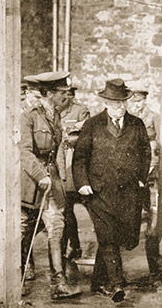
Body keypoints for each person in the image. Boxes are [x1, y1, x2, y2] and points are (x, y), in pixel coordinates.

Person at [73, 78, 151, 302]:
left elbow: (146, 153)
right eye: (114, 103)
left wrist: (141, 179)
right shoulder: (93, 124)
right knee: (107, 237)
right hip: (99, 191)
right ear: (105, 102)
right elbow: (80, 157)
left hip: (127, 192)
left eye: (122, 103)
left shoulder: (137, 124)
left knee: (117, 238)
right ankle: (116, 284)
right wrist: (83, 183)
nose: (119, 107)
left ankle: (98, 282)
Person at [20, 71, 81, 299]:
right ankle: (21, 277)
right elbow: (24, 151)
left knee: (56, 227)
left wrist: (58, 179)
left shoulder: (55, 116)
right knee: (24, 230)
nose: (67, 97)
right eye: (61, 93)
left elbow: (56, 152)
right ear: (48, 94)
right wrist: (40, 175)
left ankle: (59, 283)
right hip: (31, 182)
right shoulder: (28, 116)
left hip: (51, 180)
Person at [129, 88, 162, 285]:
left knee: (153, 224)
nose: (137, 105)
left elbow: (159, 145)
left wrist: (152, 166)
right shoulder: (129, 119)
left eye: (140, 101)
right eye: (134, 101)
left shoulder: (153, 117)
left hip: (151, 173)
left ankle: (155, 271)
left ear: (145, 101)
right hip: (132, 175)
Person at [57, 87, 90, 279]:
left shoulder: (81, 110)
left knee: (87, 206)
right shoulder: (55, 111)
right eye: (64, 94)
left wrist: (71, 134)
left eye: (70, 94)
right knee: (66, 210)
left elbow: (84, 135)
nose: (66, 97)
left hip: (77, 163)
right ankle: (72, 245)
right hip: (64, 166)